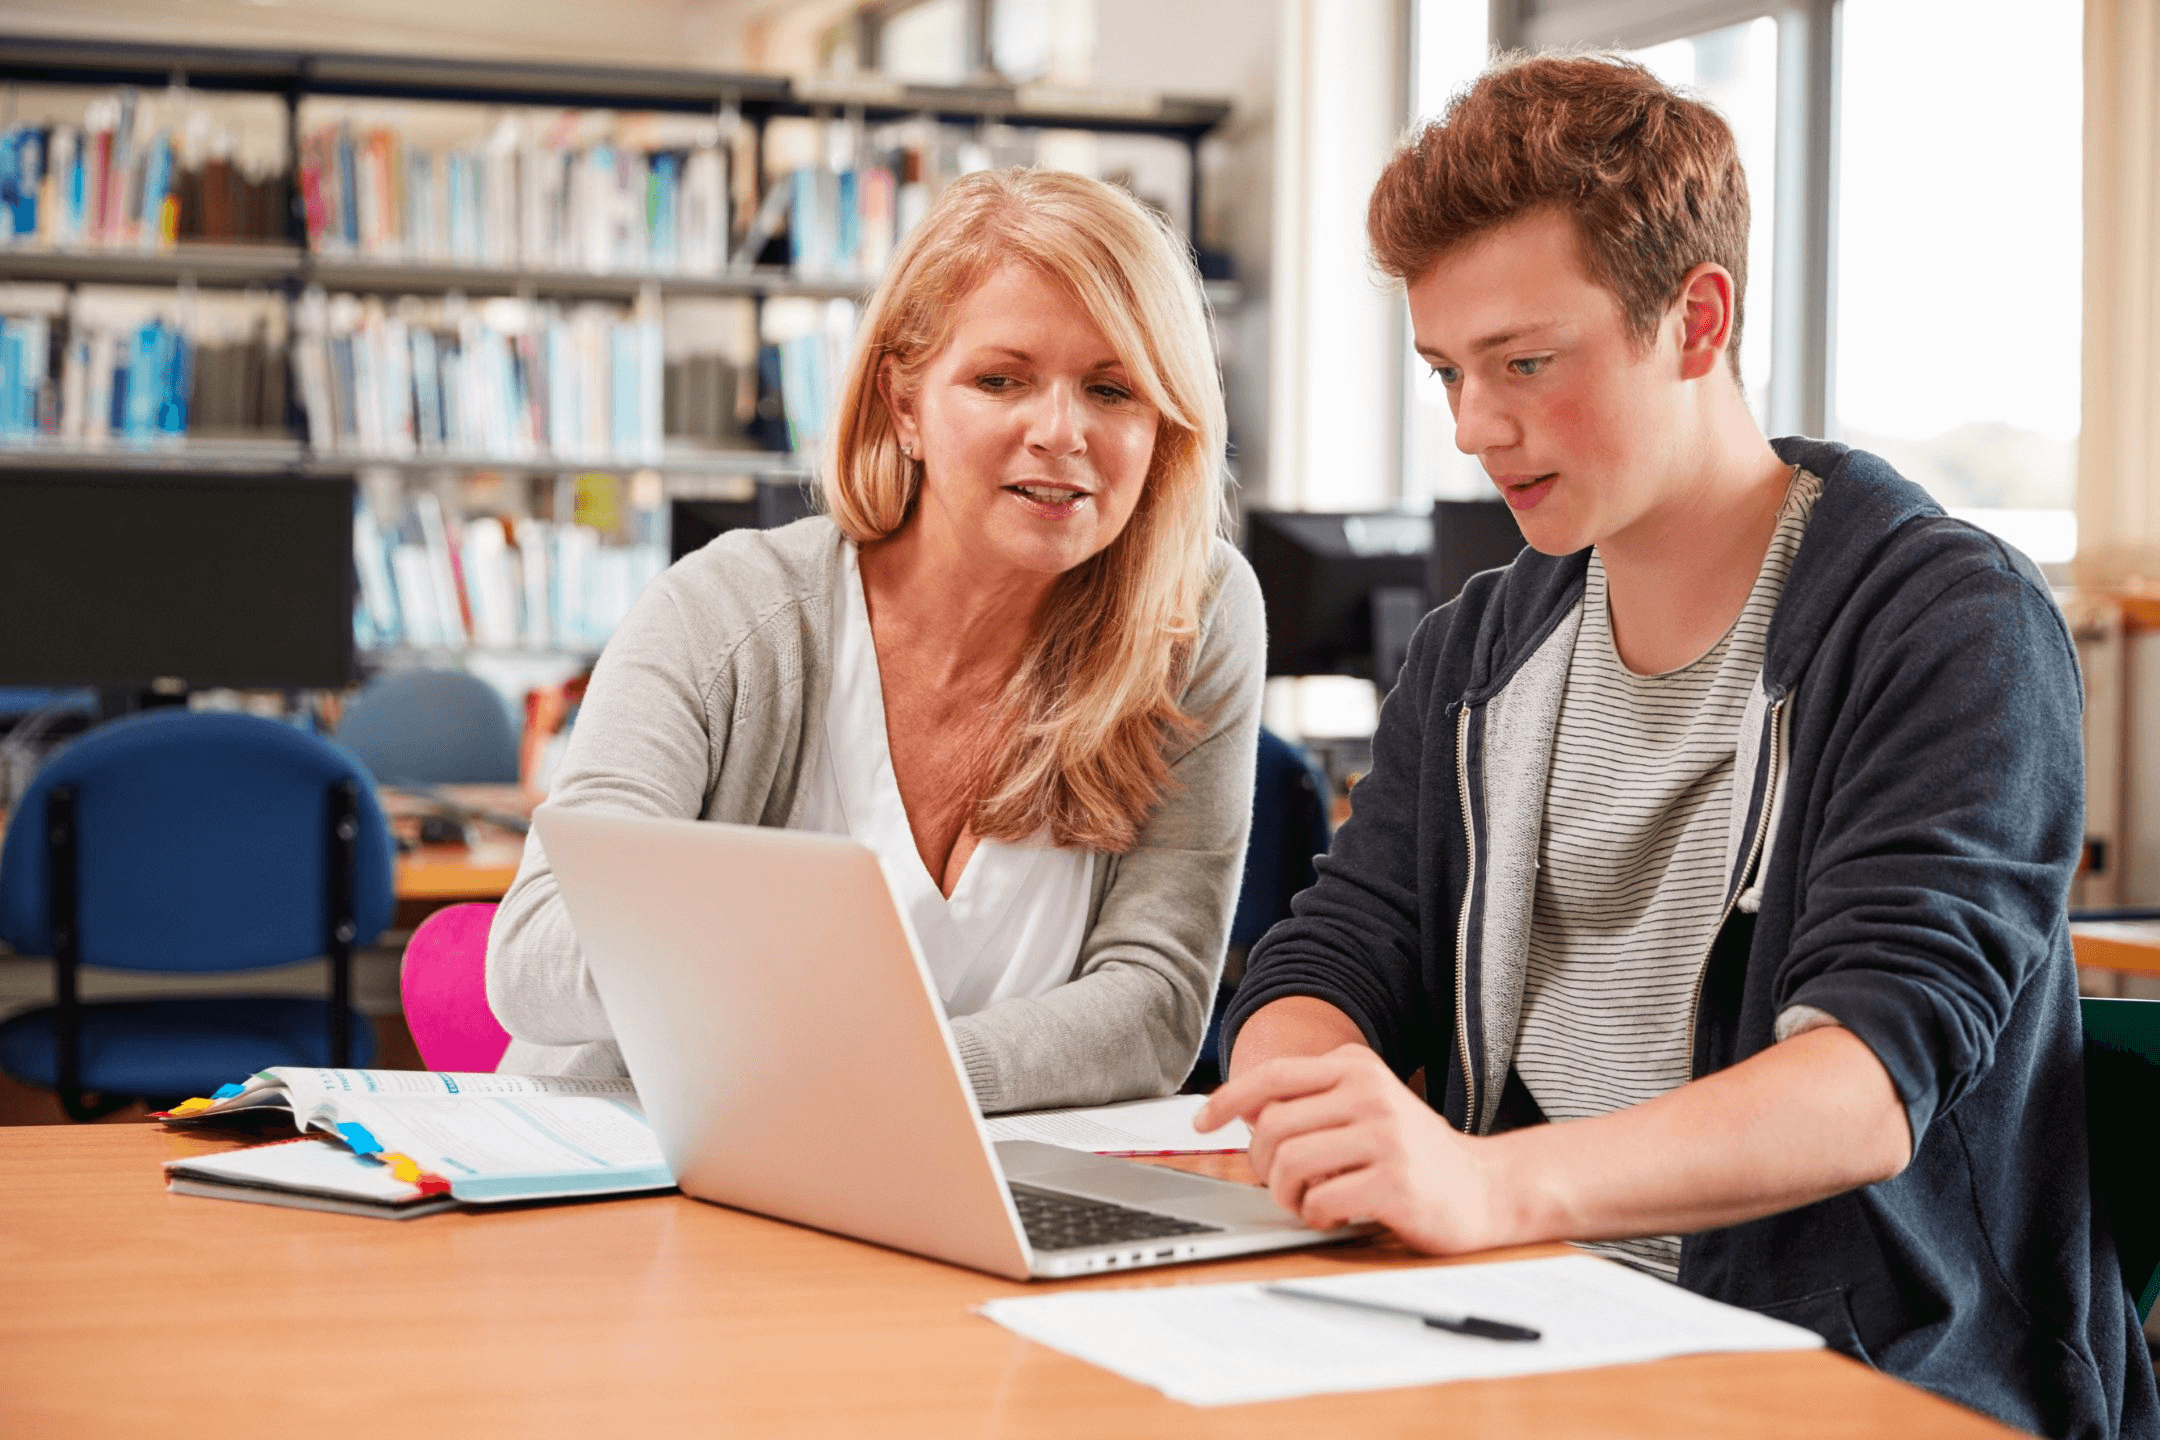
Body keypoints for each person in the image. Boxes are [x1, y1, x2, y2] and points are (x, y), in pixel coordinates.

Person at [1198, 52, 2156, 1439]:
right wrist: (1304, 1077)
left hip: (1858, 1383)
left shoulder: (1947, 626)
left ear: (1696, 320)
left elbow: (1864, 1086)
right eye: (1447, 373)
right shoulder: (1479, 651)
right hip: (1529, 1327)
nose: (1477, 429)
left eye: (1526, 362)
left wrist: (1489, 1184)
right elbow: (1336, 950)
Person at [488, 168, 1264, 1115]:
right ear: (905, 405)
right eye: (1000, 380)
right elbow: (534, 954)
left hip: (959, 1192)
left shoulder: (1195, 614)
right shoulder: (728, 612)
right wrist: (810, 986)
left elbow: (1155, 1002)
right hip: (639, 1173)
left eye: (1112, 389)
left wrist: (900, 1078)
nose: (1062, 432)